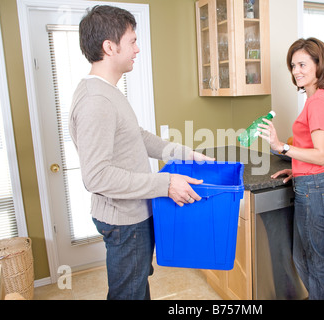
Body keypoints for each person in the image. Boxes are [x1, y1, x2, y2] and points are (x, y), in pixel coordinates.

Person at [69, 5, 214, 300]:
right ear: (110, 47)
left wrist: (184, 154)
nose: (137, 49)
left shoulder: (108, 92)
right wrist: (165, 184)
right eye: (132, 41)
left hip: (132, 214)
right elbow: (96, 176)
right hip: (124, 220)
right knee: (128, 294)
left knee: (136, 289)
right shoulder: (96, 101)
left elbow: (137, 136)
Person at [258, 37, 324, 300]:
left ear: (319, 64)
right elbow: (316, 153)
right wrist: (297, 167)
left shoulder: (316, 102)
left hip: (315, 189)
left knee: (315, 262)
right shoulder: (319, 98)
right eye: (293, 66)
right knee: (305, 258)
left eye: (302, 64)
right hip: (313, 183)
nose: (296, 71)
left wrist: (281, 147)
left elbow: (321, 153)